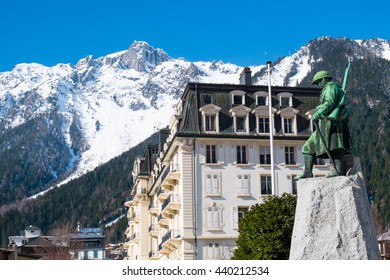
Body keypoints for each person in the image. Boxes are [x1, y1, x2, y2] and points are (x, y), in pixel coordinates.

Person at [294, 70, 352, 180]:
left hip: (333, 122)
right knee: (308, 147)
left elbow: (329, 103)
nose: (317, 85)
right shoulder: (327, 89)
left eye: (318, 82)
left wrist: (319, 112)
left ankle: (338, 170)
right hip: (325, 123)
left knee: (336, 145)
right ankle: (307, 172)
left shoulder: (330, 87)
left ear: (324, 79)